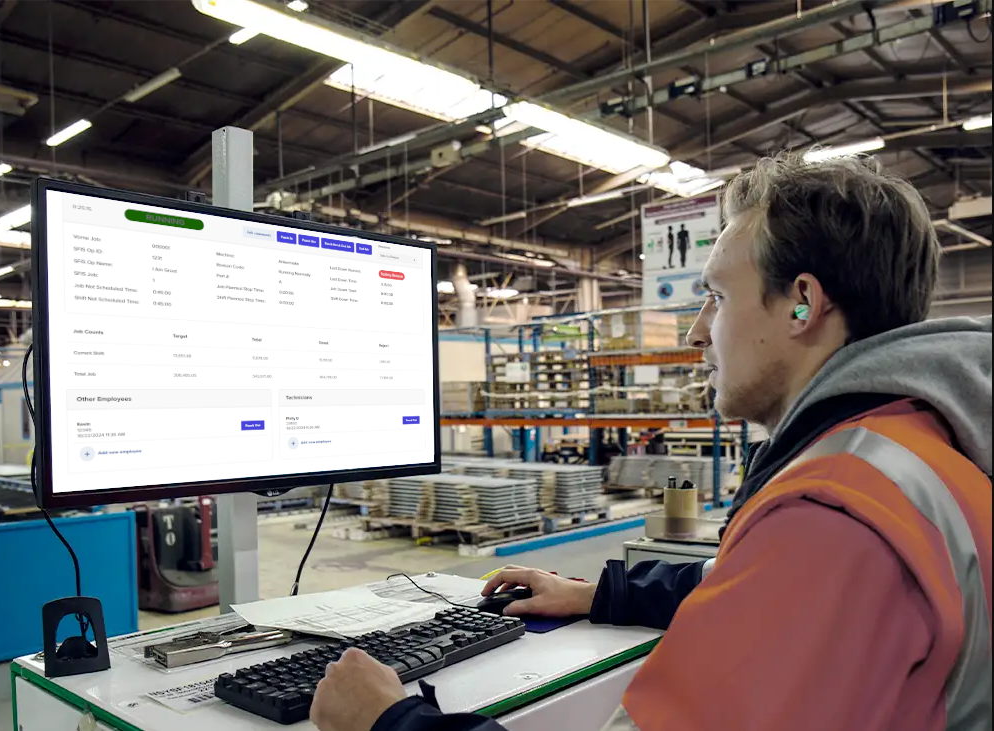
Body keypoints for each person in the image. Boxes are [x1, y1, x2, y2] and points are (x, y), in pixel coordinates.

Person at [309, 153, 992, 731]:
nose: (698, 331)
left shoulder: (836, 514)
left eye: (717, 298)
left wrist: (390, 720)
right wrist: (603, 593)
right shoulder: (915, 450)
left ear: (801, 303)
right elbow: (760, 597)